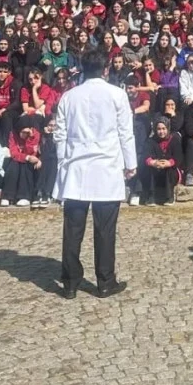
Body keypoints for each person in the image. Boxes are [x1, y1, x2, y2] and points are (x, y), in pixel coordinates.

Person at [51, 48, 136, 299]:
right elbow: (125, 132)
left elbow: (59, 135)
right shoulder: (117, 94)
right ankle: (105, 281)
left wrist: (62, 162)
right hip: (106, 166)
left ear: (82, 69)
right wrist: (130, 163)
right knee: (105, 229)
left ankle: (70, 282)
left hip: (76, 167)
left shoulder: (69, 96)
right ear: (106, 69)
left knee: (73, 229)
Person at [140, 117, 182, 205]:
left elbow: (178, 157)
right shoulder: (150, 141)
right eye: (159, 129)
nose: (161, 131)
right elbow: (145, 156)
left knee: (170, 170)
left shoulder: (174, 140)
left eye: (163, 128)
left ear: (168, 128)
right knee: (149, 169)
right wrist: (153, 163)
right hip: (156, 170)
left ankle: (169, 197)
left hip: (170, 172)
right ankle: (151, 196)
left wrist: (169, 163)